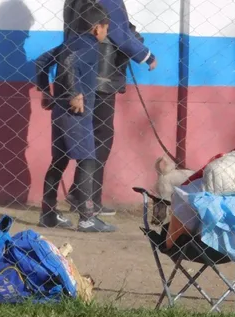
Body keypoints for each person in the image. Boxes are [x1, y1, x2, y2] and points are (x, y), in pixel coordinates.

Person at [63, 0, 157, 215]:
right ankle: (87, 198)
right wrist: (146, 55)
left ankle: (80, 192)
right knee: (101, 136)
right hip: (102, 76)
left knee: (90, 134)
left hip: (81, 72)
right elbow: (118, 32)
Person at [36, 3, 115, 233]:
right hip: (76, 115)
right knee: (88, 160)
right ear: (97, 28)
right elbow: (70, 63)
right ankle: (87, 217)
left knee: (59, 161)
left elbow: (41, 62)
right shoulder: (90, 45)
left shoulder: (68, 43)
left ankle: (48, 214)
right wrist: (74, 93)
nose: (106, 33)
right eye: (106, 28)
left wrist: (45, 91)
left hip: (60, 113)